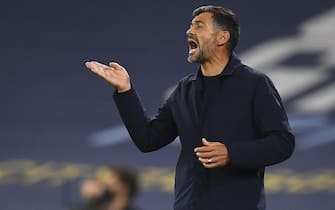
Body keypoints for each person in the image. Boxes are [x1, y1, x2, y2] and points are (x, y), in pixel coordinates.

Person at [85, 5, 295, 210]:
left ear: (222, 38)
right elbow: (148, 139)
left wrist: (231, 153)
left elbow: (283, 143)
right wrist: (125, 90)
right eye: (191, 26)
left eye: (199, 26)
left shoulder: (254, 84)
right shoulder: (185, 89)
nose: (189, 31)